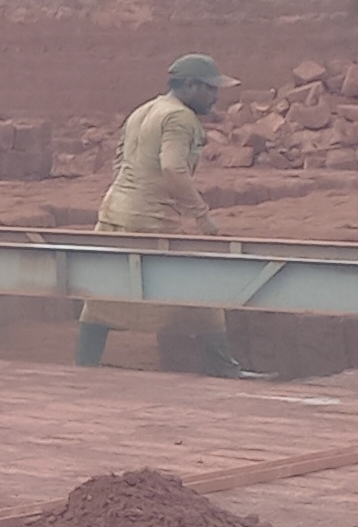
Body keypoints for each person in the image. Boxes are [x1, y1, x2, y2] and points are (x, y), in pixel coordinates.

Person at [79, 53, 250, 376]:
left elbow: (119, 160)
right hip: (149, 220)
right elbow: (172, 168)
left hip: (116, 209)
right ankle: (225, 369)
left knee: (102, 296)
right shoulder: (180, 118)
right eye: (211, 89)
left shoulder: (144, 110)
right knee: (202, 293)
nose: (216, 97)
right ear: (189, 86)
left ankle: (84, 365)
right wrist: (201, 216)